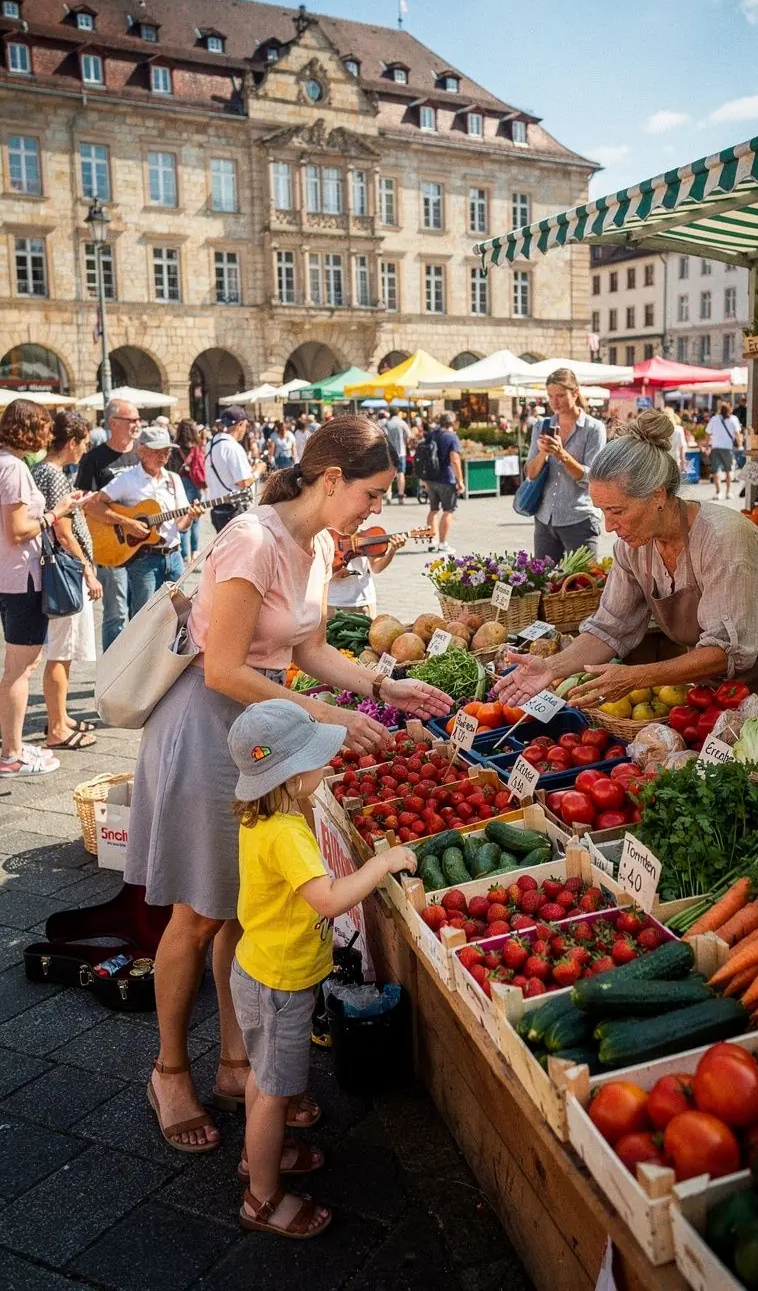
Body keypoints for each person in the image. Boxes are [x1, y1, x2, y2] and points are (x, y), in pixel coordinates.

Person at [127, 417, 452, 1153]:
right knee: (199, 914)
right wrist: (329, 715)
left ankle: (237, 1063)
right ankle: (170, 1069)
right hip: (210, 726)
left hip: (266, 725)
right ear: (331, 478)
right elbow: (224, 669)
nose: (377, 508)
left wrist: (380, 686)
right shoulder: (252, 538)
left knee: (243, 905)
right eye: (371, 493)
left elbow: (305, 648)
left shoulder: (319, 543)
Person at [227, 700, 416, 1237]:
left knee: (264, 1083)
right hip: (278, 985)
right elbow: (329, 900)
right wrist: (381, 863)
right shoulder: (286, 834)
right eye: (316, 760)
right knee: (274, 1090)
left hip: (261, 969)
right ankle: (261, 1197)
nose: (326, 765)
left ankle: (258, 1154)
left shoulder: (264, 817)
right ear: (289, 777)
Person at [497, 410, 758, 713]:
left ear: (658, 495)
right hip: (716, 686)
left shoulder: (723, 539)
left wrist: (638, 676)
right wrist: (551, 667)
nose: (608, 526)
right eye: (602, 511)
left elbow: (726, 650)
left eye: (617, 511)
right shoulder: (633, 547)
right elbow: (610, 628)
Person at [0, 400, 84, 777]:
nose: (48, 435)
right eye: (43, 427)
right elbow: (17, 531)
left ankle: (12, 745)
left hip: (10, 577)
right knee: (20, 668)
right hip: (22, 579)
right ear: (27, 429)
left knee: (19, 665)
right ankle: (12, 754)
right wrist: (57, 511)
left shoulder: (7, 464)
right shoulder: (14, 469)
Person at [32, 411, 103, 752]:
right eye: (84, 443)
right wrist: (88, 568)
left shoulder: (42, 471)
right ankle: (57, 727)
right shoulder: (54, 474)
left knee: (66, 650)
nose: (85, 450)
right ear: (71, 443)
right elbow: (63, 532)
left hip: (57, 569)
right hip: (67, 572)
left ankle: (61, 716)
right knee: (62, 651)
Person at [85, 426, 204, 617]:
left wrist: (190, 516)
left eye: (167, 451)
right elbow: (93, 506)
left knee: (175, 616)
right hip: (145, 560)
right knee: (143, 617)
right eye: (158, 451)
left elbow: (181, 526)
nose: (163, 456)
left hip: (174, 557)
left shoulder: (173, 479)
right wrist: (127, 523)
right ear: (142, 450)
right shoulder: (128, 479)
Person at [75, 397, 140, 649]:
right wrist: (123, 521)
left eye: (137, 419)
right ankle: (111, 675)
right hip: (110, 545)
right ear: (114, 422)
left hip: (142, 546)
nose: (137, 424)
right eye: (131, 419)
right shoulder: (94, 459)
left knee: (143, 614)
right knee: (116, 615)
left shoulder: (142, 453)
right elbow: (86, 505)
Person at [522, 368, 606, 563]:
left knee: (584, 584)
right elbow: (530, 474)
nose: (554, 402)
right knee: (545, 584)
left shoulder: (593, 429)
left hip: (579, 518)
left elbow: (592, 478)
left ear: (575, 393)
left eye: (560, 395)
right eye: (550, 396)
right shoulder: (541, 426)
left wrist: (561, 454)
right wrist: (543, 452)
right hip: (545, 518)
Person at [327, 533, 406, 619]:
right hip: (331, 603)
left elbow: (376, 568)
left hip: (363, 604)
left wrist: (392, 551)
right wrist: (330, 574)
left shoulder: (365, 535)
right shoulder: (325, 533)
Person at [419, 412, 464, 553]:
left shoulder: (432, 434)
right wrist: (460, 481)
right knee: (448, 511)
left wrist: (422, 478)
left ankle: (432, 541)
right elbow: (454, 459)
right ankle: (443, 543)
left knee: (433, 510)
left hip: (430, 477)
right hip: (446, 478)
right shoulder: (452, 437)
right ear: (453, 422)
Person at [205, 406, 254, 531]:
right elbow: (243, 482)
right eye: (245, 426)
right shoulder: (232, 447)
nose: (245, 430)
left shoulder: (210, 445)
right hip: (234, 509)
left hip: (217, 509)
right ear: (239, 424)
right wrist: (258, 470)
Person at [168, 419, 207, 563]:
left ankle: (184, 555)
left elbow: (170, 466)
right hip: (194, 482)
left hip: (179, 481)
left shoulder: (175, 447)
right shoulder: (197, 446)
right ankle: (195, 551)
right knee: (195, 517)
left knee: (183, 516)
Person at [707, 400, 743, 501]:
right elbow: (737, 434)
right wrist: (740, 445)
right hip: (728, 448)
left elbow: (708, 433)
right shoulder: (733, 419)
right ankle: (729, 492)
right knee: (729, 470)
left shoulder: (714, 419)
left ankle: (718, 492)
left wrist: (707, 445)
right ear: (729, 410)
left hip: (715, 447)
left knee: (716, 470)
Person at [384, 409, 410, 504]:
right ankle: (401, 494)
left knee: (389, 473)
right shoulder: (402, 423)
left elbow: (383, 437)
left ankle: (388, 495)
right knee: (401, 473)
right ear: (398, 413)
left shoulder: (387, 424)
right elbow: (408, 436)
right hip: (401, 452)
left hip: (389, 452)